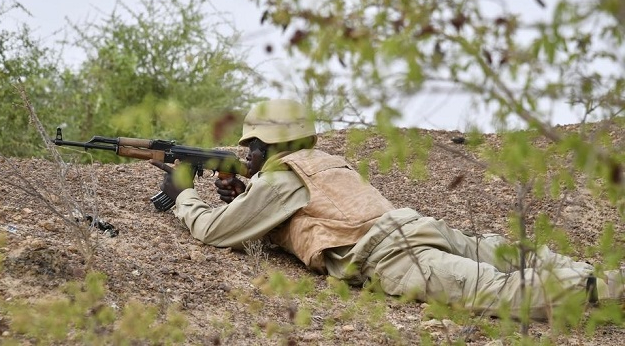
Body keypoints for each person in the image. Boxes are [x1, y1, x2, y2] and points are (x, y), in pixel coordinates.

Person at [150, 99, 623, 320]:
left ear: (267, 144)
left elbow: (215, 231)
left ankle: (606, 291)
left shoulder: (280, 176)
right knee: (508, 257)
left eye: (249, 145)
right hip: (413, 226)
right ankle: (602, 275)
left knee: (500, 291)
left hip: (392, 254)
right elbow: (299, 212)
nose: (243, 153)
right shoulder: (321, 160)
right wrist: (243, 189)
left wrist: (183, 194)